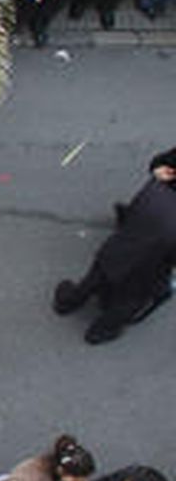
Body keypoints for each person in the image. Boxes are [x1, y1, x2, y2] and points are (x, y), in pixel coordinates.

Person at [53, 146, 176, 343]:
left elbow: (159, 162)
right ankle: (101, 331)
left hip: (150, 210)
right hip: (165, 242)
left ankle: (69, 301)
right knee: (135, 293)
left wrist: (159, 170)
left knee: (106, 265)